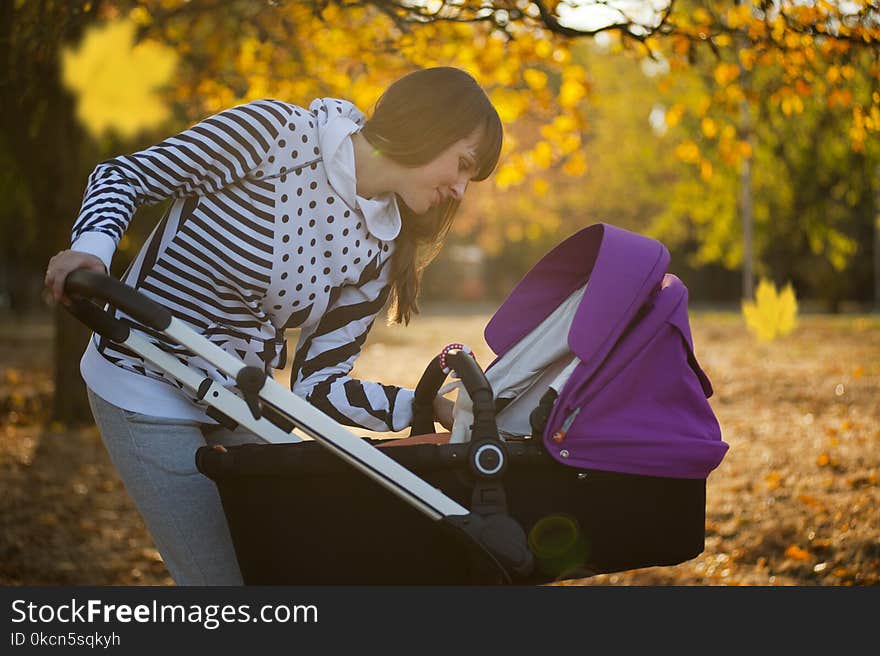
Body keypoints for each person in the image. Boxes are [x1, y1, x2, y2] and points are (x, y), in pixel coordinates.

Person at [44, 66, 503, 585]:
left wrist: (429, 406)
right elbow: (126, 176)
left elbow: (320, 390)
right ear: (428, 127)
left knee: (287, 568)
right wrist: (92, 249)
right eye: (463, 165)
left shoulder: (381, 246)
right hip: (143, 373)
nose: (462, 191)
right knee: (223, 583)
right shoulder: (276, 136)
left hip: (235, 397)